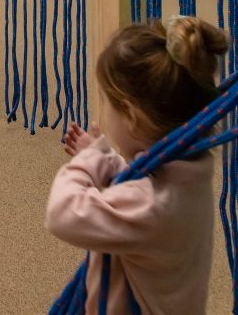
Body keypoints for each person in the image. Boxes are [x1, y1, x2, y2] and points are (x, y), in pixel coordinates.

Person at [45, 16, 229, 315]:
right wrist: (106, 160)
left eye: (105, 101)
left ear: (130, 116)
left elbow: (62, 213)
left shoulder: (150, 204)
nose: (102, 111)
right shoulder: (189, 172)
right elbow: (142, 188)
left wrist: (87, 163)